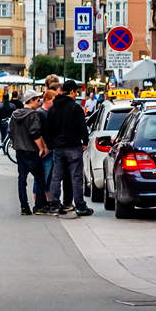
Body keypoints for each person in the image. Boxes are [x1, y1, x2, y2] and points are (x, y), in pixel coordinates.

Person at [38, 80, 93, 216]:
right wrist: (84, 141)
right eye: (76, 91)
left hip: (58, 148)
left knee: (56, 177)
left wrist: (52, 143)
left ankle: (54, 206)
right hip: (73, 146)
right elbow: (82, 128)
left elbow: (48, 129)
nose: (77, 94)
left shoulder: (53, 109)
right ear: (73, 91)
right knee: (76, 177)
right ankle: (80, 206)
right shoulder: (76, 108)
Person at [10, 90, 48, 215]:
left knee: (22, 179)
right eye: (37, 100)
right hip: (32, 151)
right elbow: (35, 132)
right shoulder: (33, 115)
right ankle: (39, 206)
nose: (39, 102)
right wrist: (42, 148)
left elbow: (10, 132)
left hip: (20, 151)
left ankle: (24, 207)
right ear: (31, 100)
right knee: (39, 178)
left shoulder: (15, 114)